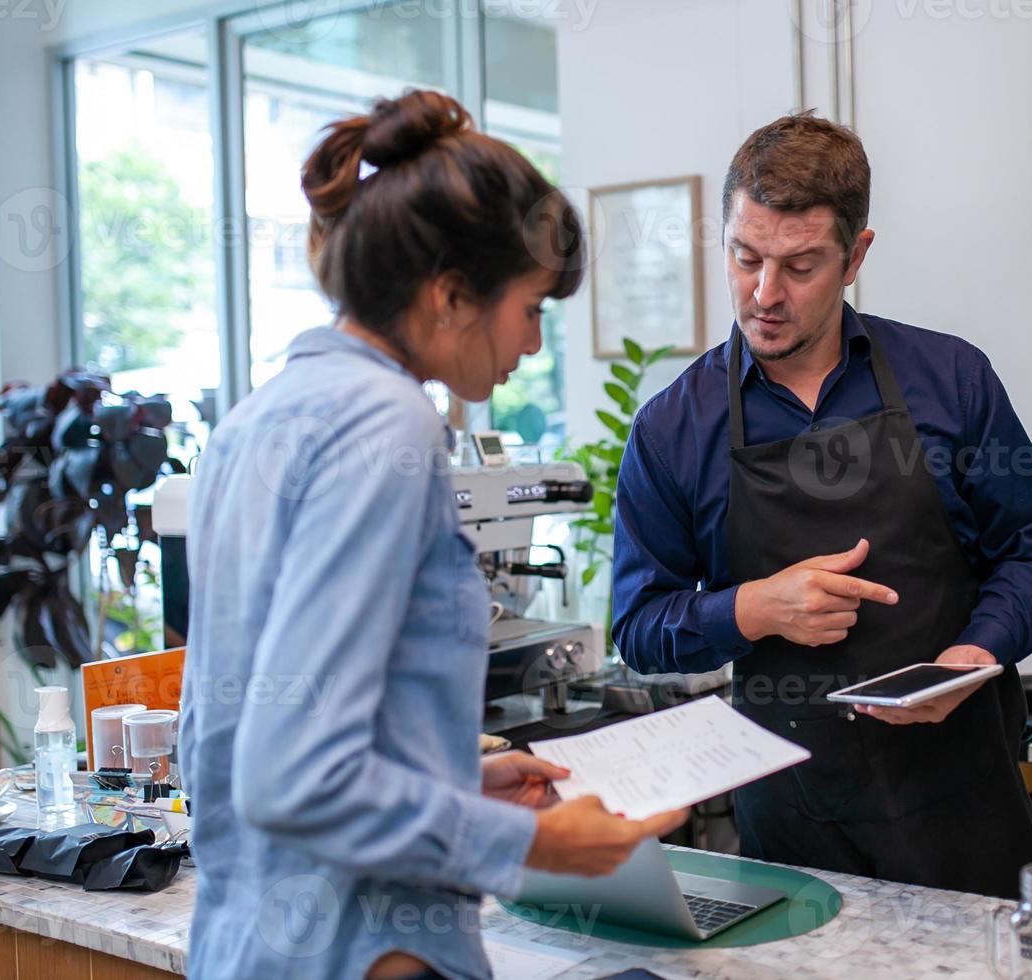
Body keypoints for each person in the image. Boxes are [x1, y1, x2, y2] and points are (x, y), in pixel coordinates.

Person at [180, 90, 685, 980]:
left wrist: (450, 777)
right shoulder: (387, 425)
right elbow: (290, 774)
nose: (531, 345)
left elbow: (221, 745)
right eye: (531, 308)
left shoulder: (257, 422)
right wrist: (528, 845)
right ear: (451, 295)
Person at [611, 111, 1032, 899]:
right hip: (792, 833)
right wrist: (750, 610)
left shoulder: (953, 381)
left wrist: (976, 652)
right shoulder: (673, 428)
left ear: (856, 255)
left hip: (961, 808)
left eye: (800, 266)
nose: (764, 294)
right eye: (743, 255)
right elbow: (638, 626)